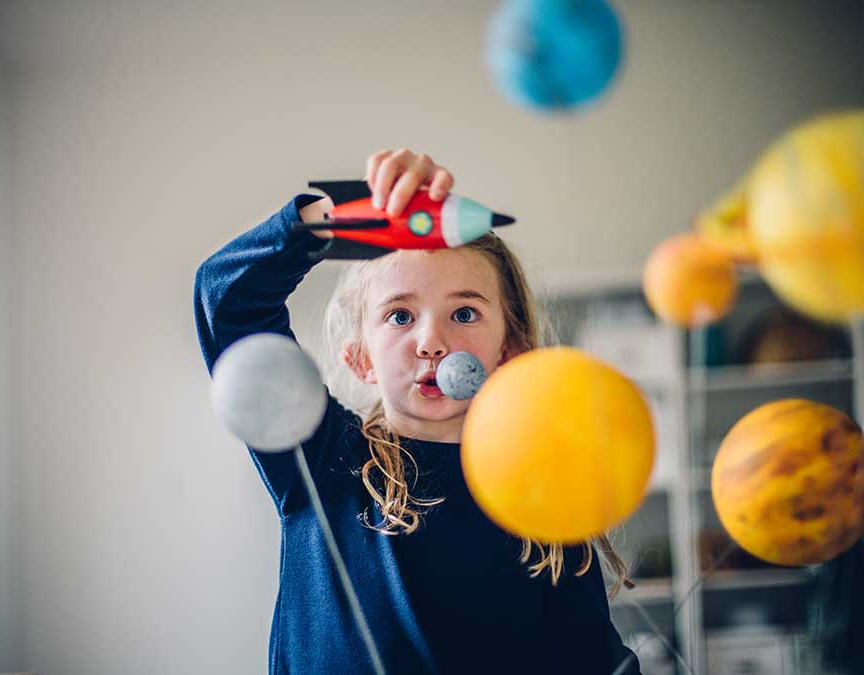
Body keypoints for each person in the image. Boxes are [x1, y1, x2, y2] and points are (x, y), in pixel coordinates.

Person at [194, 149, 642, 674]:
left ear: (509, 351)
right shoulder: (323, 459)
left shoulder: (546, 504)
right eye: (400, 315)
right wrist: (337, 216)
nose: (432, 341)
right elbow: (226, 301)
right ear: (360, 357)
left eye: (465, 312)